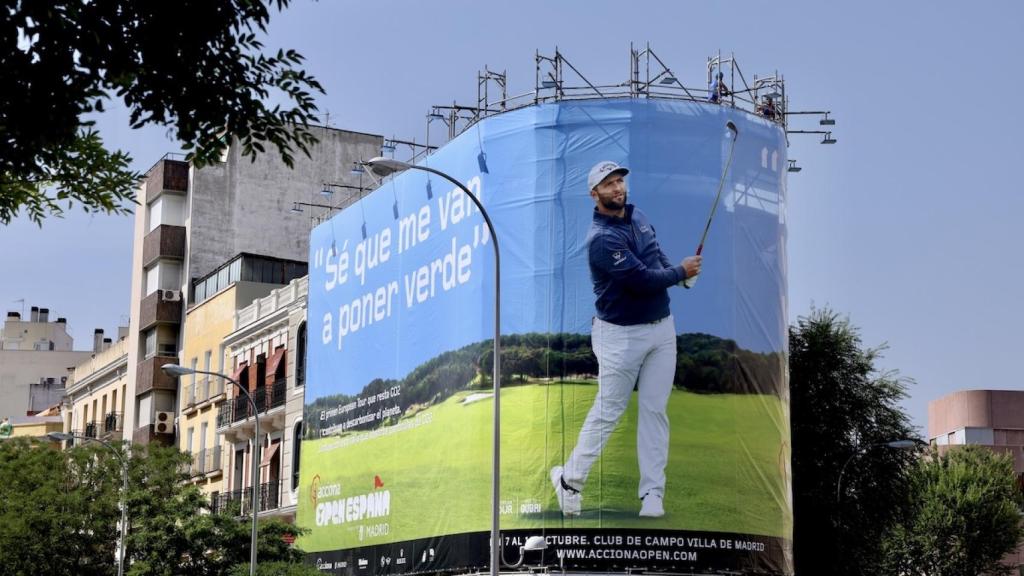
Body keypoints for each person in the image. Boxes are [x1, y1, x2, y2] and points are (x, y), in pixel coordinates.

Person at [551, 161, 701, 518]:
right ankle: (569, 483)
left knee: (654, 410)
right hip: (620, 336)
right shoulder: (601, 240)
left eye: (619, 181)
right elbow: (641, 279)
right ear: (594, 194)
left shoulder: (638, 216)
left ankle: (652, 494)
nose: (617, 188)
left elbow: (654, 255)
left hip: (662, 329)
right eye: (608, 184)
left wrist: (679, 277)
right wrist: (680, 272)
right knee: (609, 411)